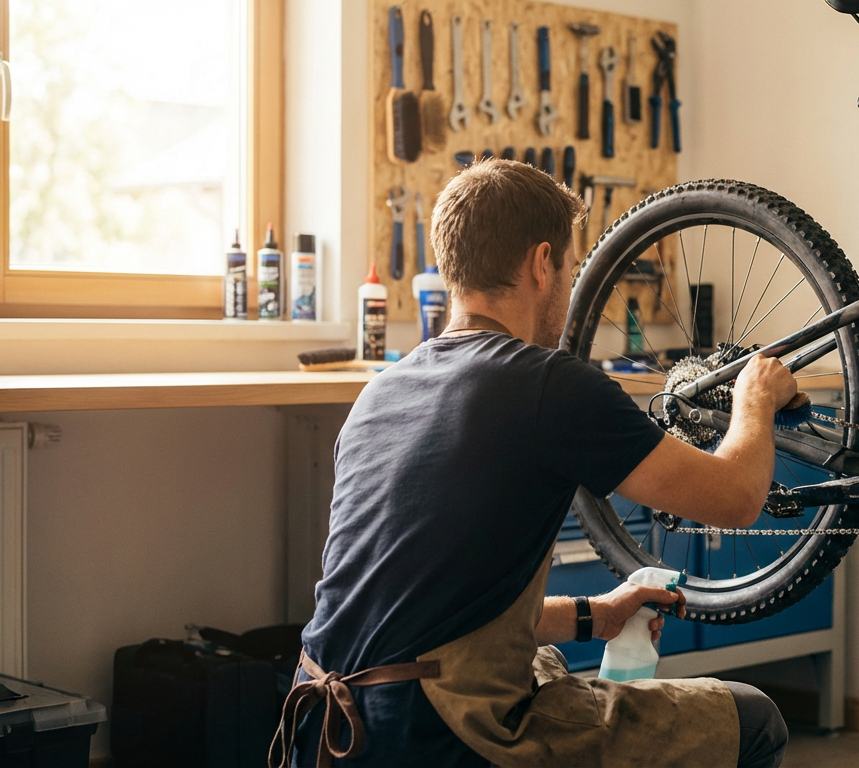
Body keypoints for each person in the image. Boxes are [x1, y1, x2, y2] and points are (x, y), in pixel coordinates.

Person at [274, 159, 795, 768]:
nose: (570, 289)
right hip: (436, 733)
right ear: (541, 262)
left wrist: (596, 615)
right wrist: (754, 398)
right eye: (571, 270)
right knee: (753, 720)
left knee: (542, 663)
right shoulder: (549, 384)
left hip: (322, 731)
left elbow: (433, 617)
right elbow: (735, 497)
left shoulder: (378, 394)